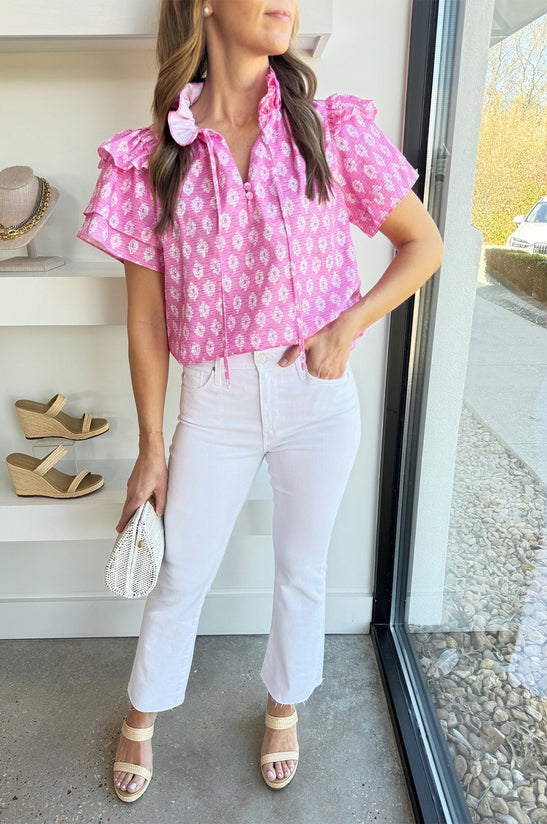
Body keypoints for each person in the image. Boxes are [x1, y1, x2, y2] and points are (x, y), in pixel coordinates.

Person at [77, 0, 444, 803]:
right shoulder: (151, 158)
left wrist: (348, 325)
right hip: (216, 400)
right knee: (183, 573)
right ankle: (142, 713)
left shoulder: (328, 131)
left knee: (301, 570)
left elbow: (426, 245)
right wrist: (150, 443)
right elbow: (145, 319)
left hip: (318, 396)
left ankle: (284, 704)